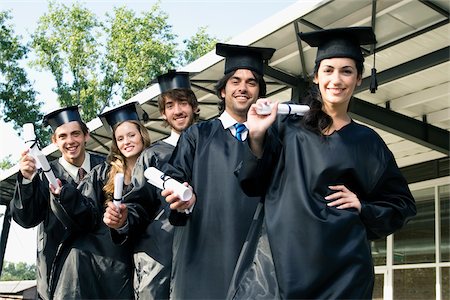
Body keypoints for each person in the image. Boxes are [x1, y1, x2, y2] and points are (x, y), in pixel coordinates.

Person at [236, 27, 417, 299]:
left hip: (343, 272)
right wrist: (258, 135)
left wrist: (363, 206)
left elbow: (402, 205)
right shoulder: (286, 127)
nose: (337, 79)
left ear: (358, 79)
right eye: (328, 70)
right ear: (316, 76)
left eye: (347, 71)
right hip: (280, 264)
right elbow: (250, 182)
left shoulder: (368, 142)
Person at [161, 43, 276, 299]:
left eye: (251, 82)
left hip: (258, 257)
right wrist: (182, 198)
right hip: (202, 253)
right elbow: (176, 178)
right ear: (223, 90)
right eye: (235, 80)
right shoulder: (197, 136)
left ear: (259, 92)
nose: (243, 88)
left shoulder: (275, 139)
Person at [49, 101, 163, 299]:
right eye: (120, 138)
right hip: (102, 260)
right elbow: (87, 210)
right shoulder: (103, 172)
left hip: (144, 257)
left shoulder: (158, 165)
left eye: (131, 135)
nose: (126, 141)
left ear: (142, 135)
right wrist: (65, 195)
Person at [10, 105, 105, 300]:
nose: (70, 141)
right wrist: (27, 179)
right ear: (54, 141)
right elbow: (26, 219)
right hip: (57, 271)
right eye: (62, 136)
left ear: (86, 135)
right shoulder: (44, 176)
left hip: (102, 270)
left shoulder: (106, 169)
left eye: (76, 134)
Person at [133, 70, 199, 300]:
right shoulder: (152, 156)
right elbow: (137, 206)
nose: (178, 111)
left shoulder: (212, 146)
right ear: (163, 113)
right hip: (160, 252)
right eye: (170, 105)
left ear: (193, 106)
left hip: (205, 245)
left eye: (183, 103)